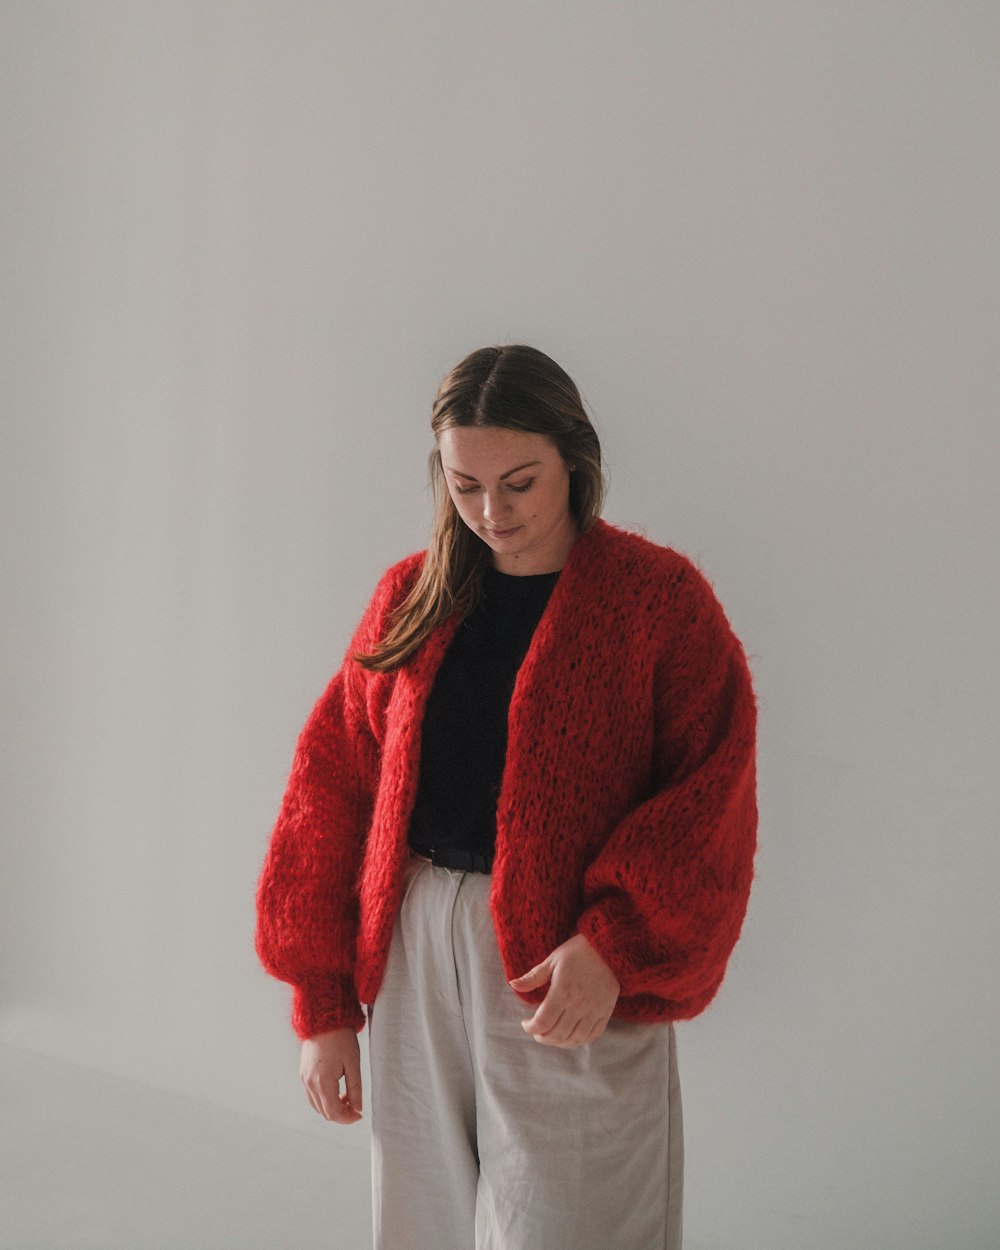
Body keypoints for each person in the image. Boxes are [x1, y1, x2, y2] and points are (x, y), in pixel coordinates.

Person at [254, 344, 758, 1250]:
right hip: (412, 948)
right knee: (422, 1226)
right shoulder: (411, 597)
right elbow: (330, 790)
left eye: (519, 482)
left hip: (566, 963)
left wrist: (614, 944)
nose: (492, 512)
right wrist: (322, 1006)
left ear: (574, 458)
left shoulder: (658, 603)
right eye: (466, 485)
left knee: (576, 1229)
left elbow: (709, 796)